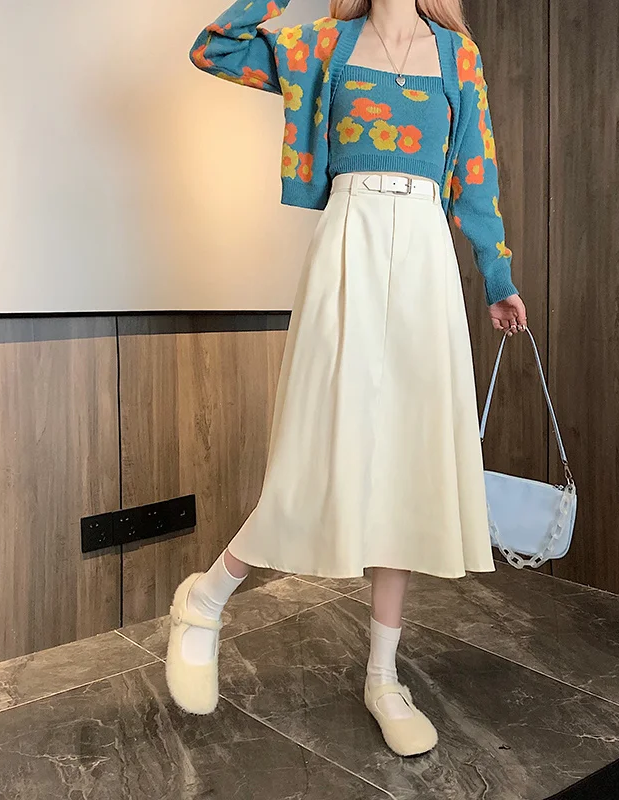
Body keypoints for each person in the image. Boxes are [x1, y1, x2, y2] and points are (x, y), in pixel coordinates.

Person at [166, 0, 528, 758]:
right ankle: (205, 599)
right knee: (314, 448)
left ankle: (383, 676)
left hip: (426, 250)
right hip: (348, 243)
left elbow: (476, 172)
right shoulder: (323, 44)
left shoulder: (457, 55)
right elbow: (213, 48)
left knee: (406, 466)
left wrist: (497, 277)